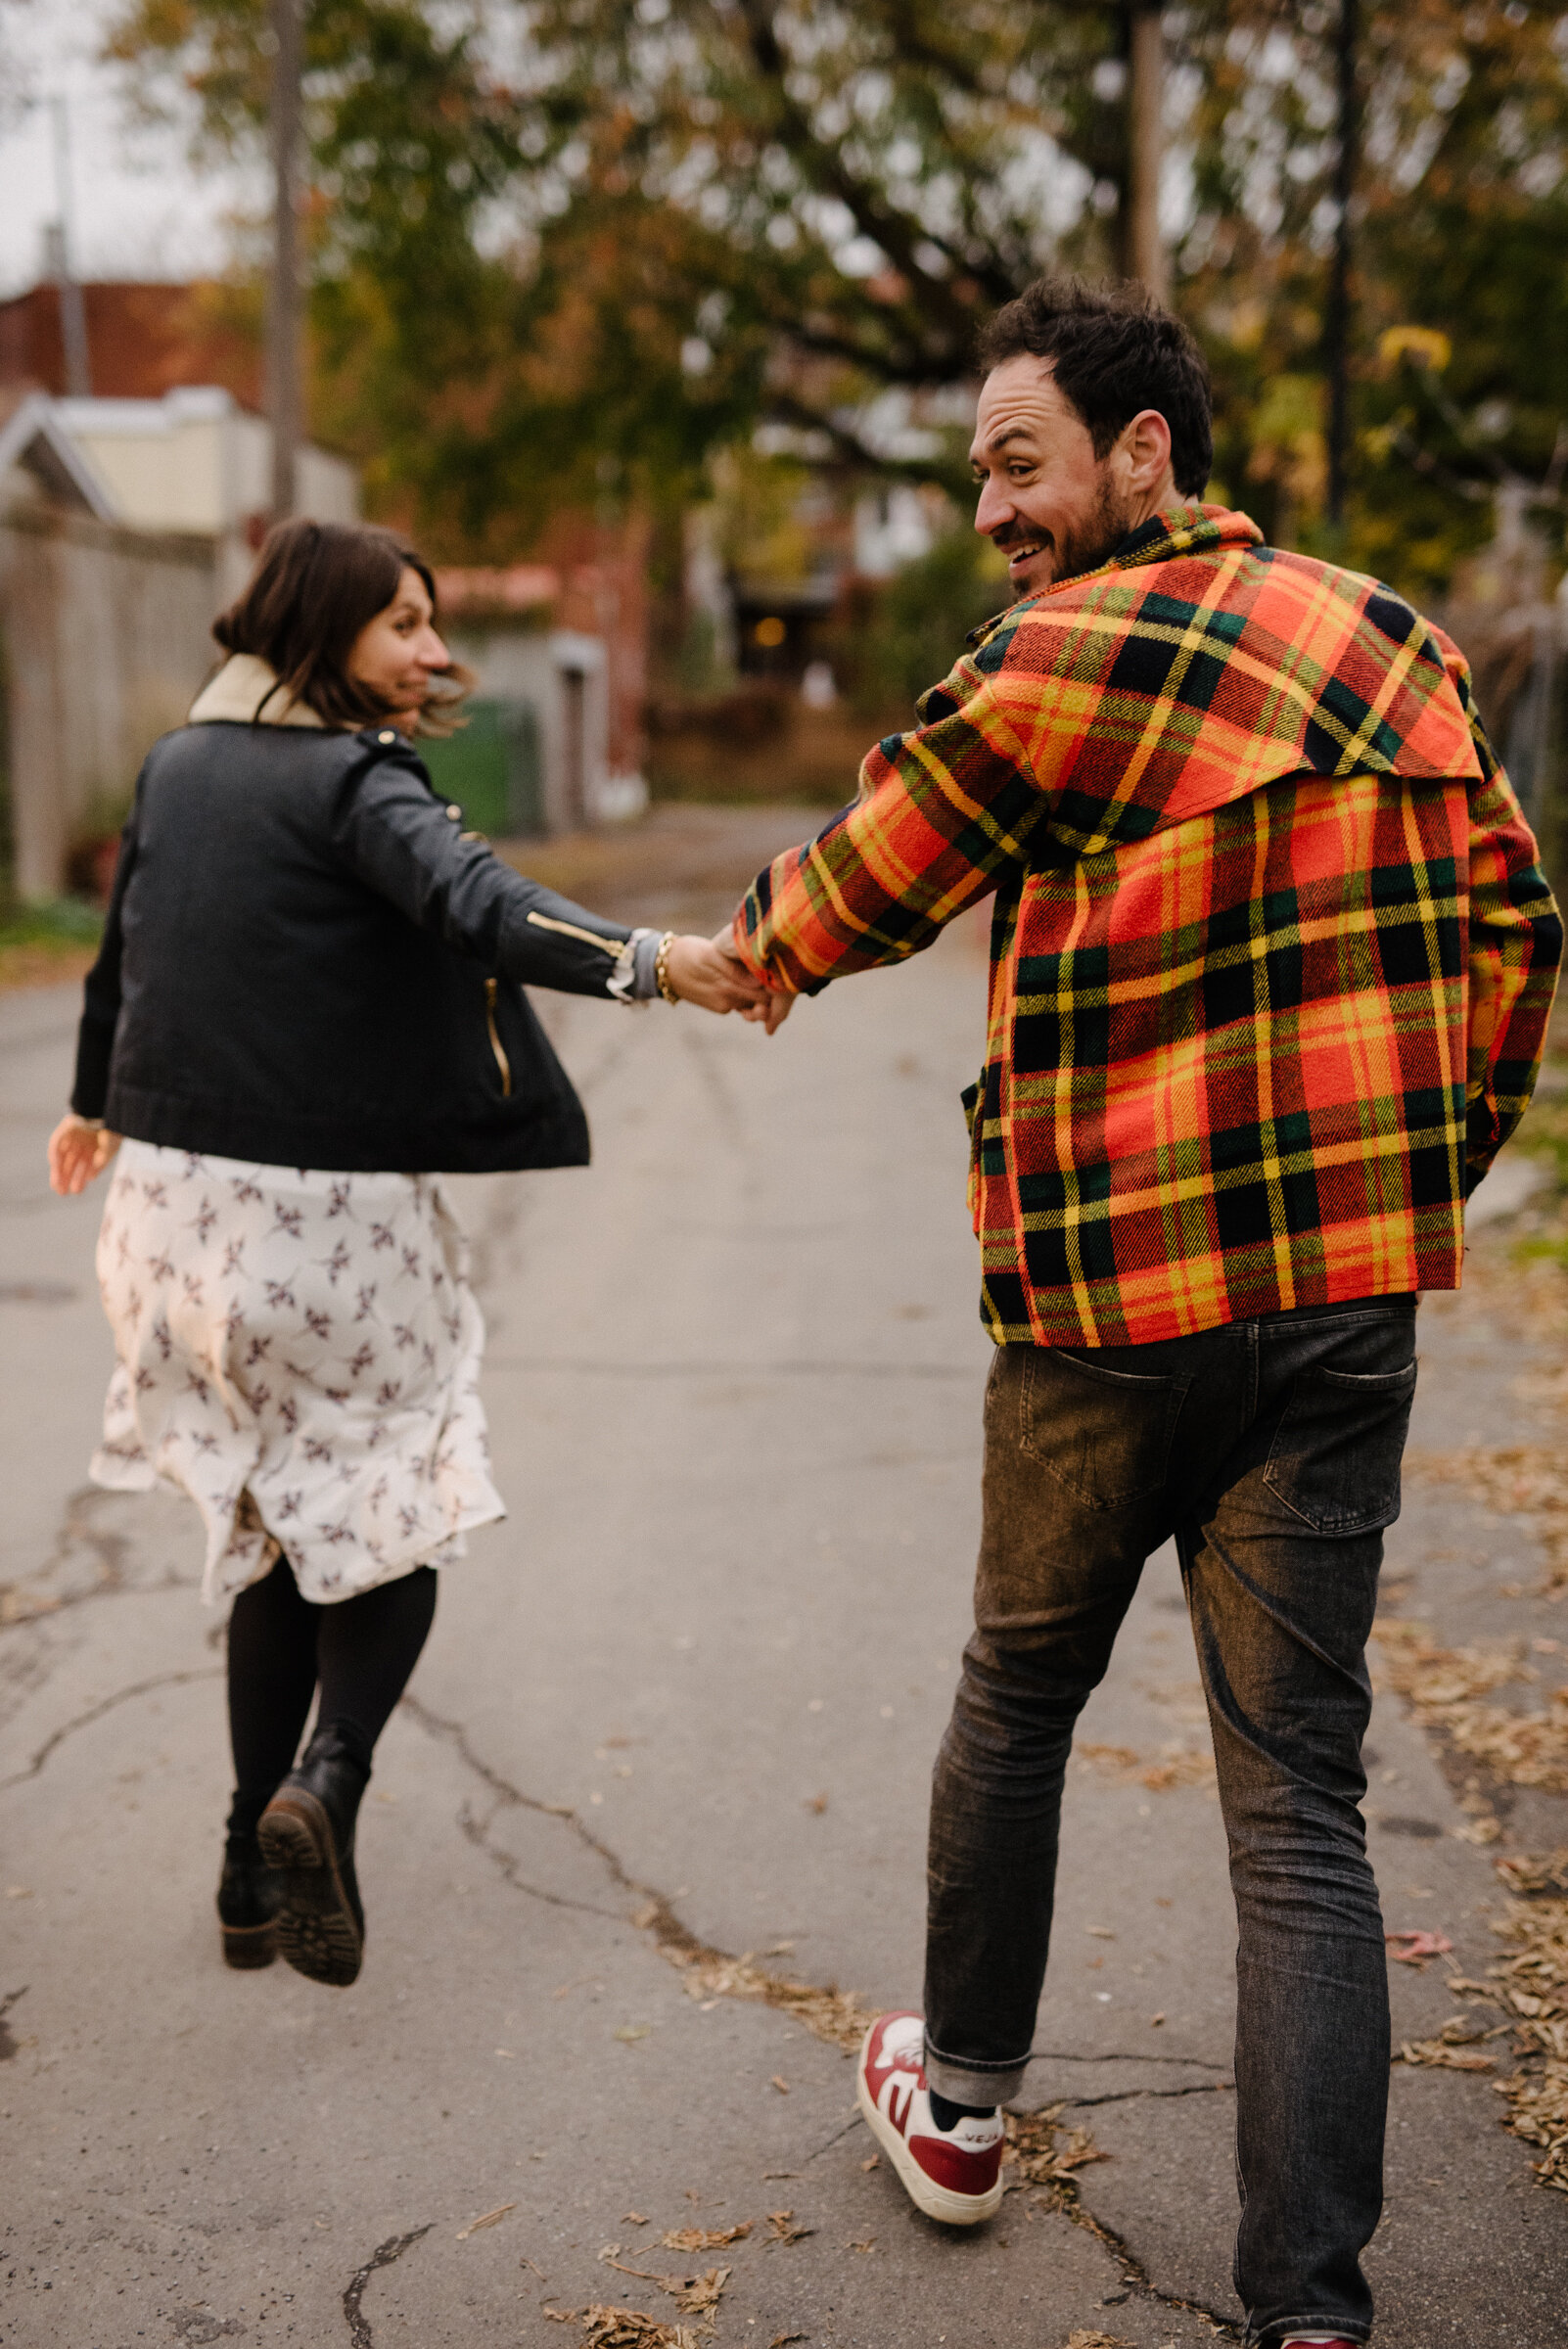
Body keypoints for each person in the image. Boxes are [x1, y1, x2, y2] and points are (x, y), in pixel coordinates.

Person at [717, 278, 1561, 2348]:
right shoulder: (1395, 645)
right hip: (1340, 1306)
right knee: (1303, 1801)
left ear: (1143, 453)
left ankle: (966, 2110)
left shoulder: (1053, 661)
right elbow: (1520, 933)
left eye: (1020, 460)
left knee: (1019, 1699)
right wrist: (1408, 1182)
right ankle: (1315, 2308)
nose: (994, 507)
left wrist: (719, 961)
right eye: (979, 470)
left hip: (1108, 1311)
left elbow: (847, 898)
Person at [49, 517, 769, 1990]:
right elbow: (482, 907)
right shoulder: (353, 780)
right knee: (402, 1497)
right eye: (403, 625)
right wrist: (655, 962)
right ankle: (332, 1780)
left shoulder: (179, 765)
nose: (434, 652)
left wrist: (83, 1101)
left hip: (167, 1221)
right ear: (323, 633)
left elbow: (122, 950)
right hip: (321, 1225)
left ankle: (248, 1866)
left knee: (271, 1526)